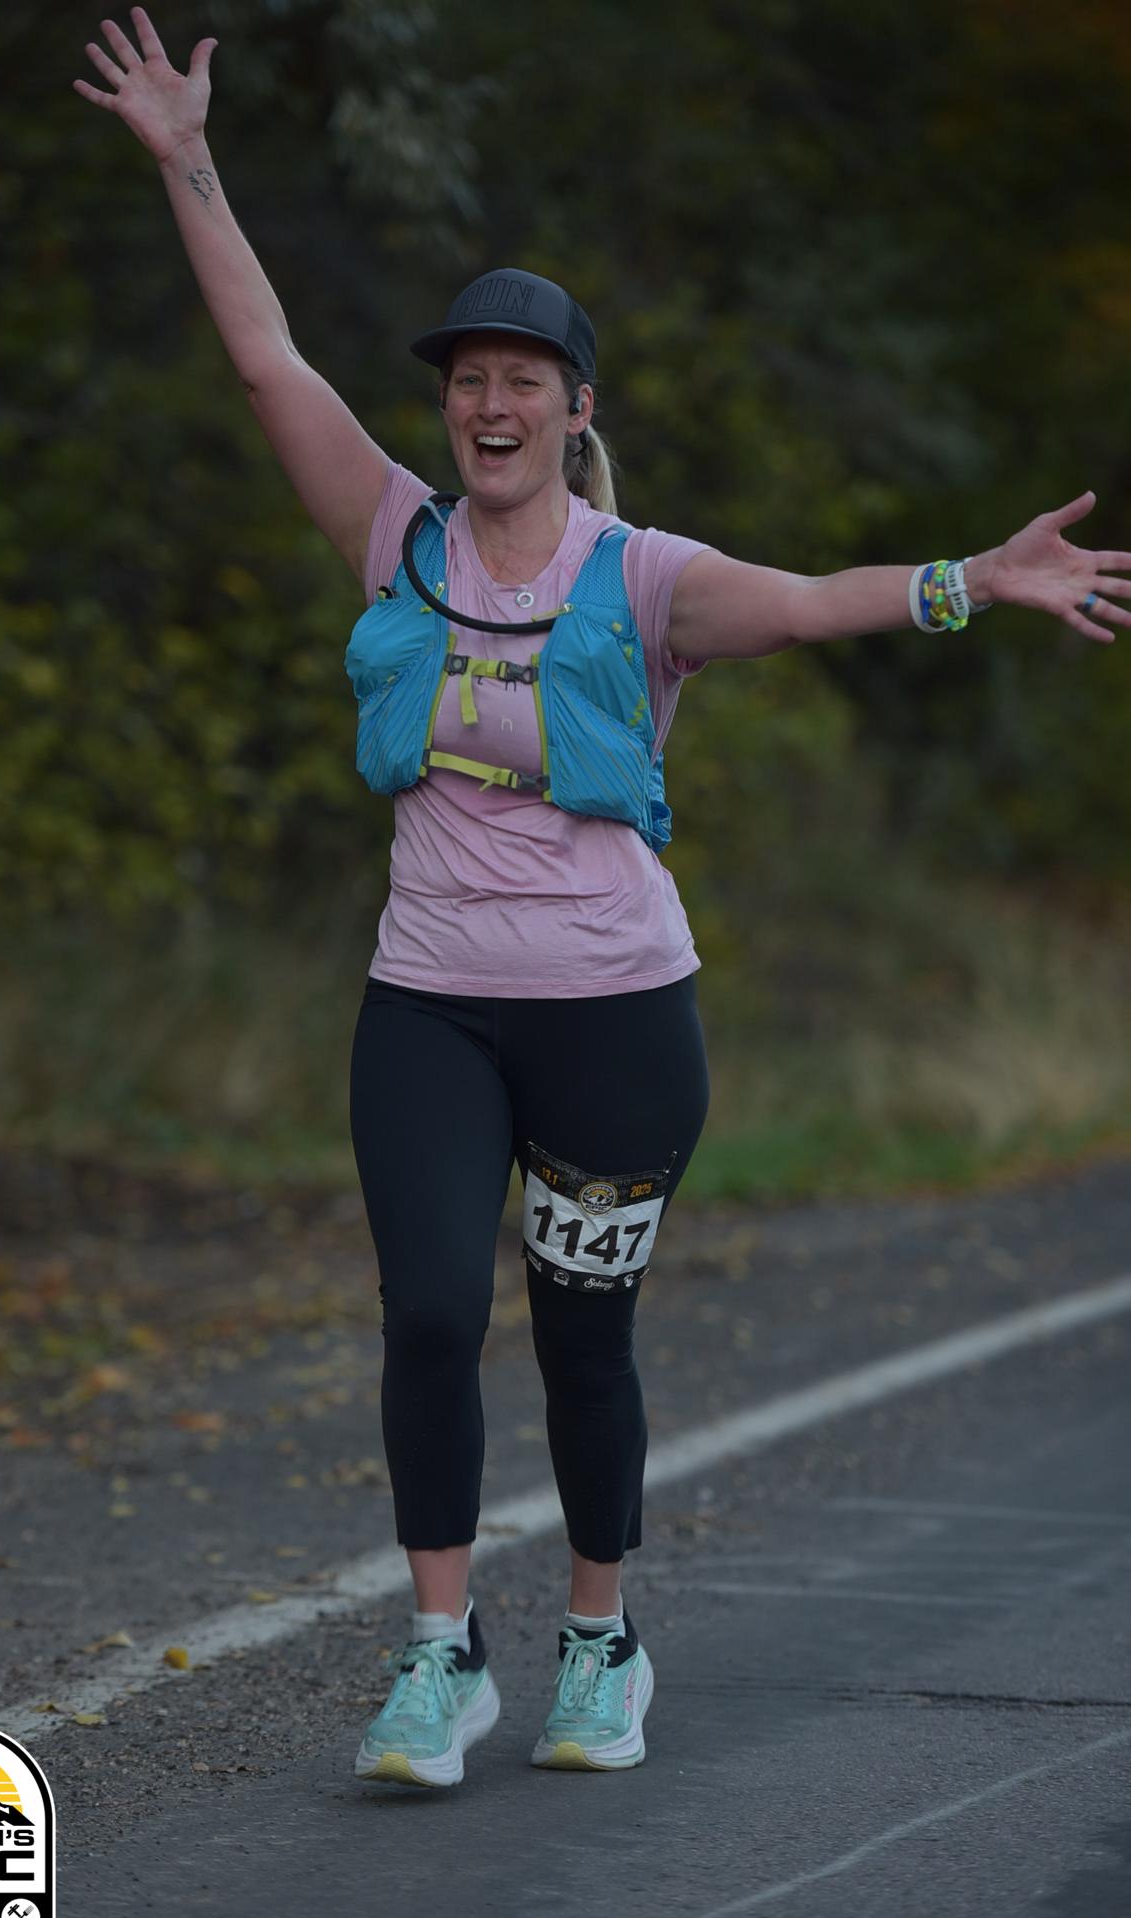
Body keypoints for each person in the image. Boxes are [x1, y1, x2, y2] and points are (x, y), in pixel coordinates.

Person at [75, 9, 1130, 1790]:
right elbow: (266, 363)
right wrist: (188, 159)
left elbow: (819, 600)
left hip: (619, 1020)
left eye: (523, 381)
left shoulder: (646, 580)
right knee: (429, 1310)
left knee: (582, 1339)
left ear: (575, 411)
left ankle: (599, 1642)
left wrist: (982, 580)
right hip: (431, 1004)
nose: (489, 406)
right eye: (466, 381)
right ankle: (439, 1656)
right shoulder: (395, 536)